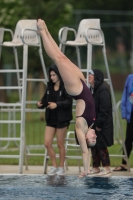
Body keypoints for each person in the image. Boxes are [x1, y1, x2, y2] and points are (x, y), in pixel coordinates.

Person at [37, 19, 97, 177]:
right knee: (61, 56)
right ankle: (46, 29)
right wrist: (89, 168)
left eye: (92, 139)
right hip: (82, 83)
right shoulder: (91, 124)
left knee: (58, 60)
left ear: (85, 138)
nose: (94, 136)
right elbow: (89, 152)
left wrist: (85, 171)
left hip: (76, 90)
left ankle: (42, 33)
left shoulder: (81, 126)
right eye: (95, 138)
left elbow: (85, 152)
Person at [37, 64, 73, 176]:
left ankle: (61, 167)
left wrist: (57, 105)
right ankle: (54, 166)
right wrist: (39, 104)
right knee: (47, 143)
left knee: (60, 143)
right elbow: (44, 101)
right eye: (50, 75)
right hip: (51, 119)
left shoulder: (66, 87)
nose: (52, 77)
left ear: (59, 75)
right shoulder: (49, 87)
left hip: (62, 119)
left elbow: (68, 102)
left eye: (54, 75)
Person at [88, 69, 113, 176]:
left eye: (91, 74)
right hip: (95, 122)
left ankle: (107, 168)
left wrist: (98, 124)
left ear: (96, 77)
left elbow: (104, 108)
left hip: (102, 124)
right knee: (93, 144)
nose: (89, 76)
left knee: (101, 145)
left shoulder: (103, 89)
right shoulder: (92, 89)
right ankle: (96, 167)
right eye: (88, 74)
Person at [113, 74, 133, 171]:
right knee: (129, 139)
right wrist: (124, 113)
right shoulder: (130, 78)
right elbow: (125, 95)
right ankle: (124, 164)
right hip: (131, 113)